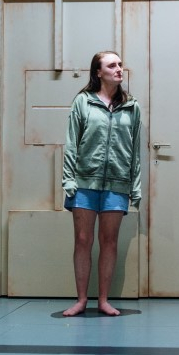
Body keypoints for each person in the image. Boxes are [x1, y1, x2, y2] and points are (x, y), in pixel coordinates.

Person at [61, 51, 143, 317]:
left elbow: (135, 150)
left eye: (120, 64)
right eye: (112, 65)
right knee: (82, 240)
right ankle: (82, 299)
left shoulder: (132, 106)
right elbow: (72, 143)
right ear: (98, 72)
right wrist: (69, 179)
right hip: (84, 182)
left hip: (117, 183)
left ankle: (104, 300)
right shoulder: (83, 103)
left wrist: (136, 186)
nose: (119, 69)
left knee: (109, 242)